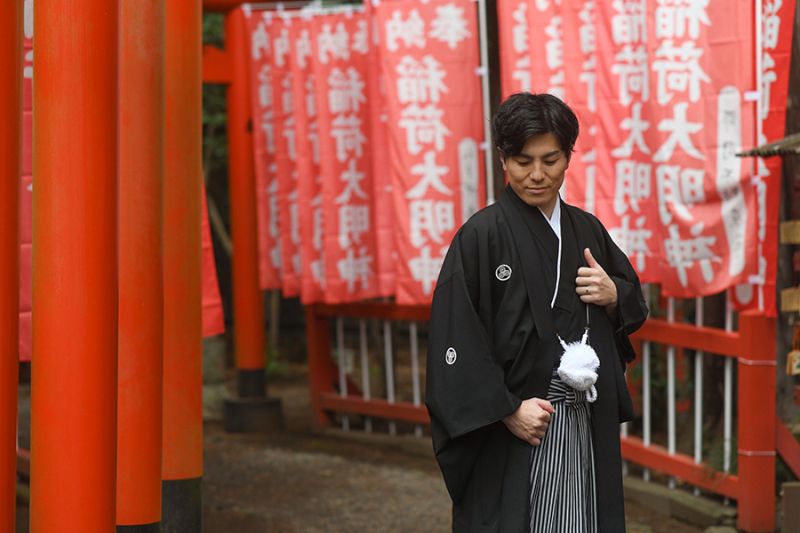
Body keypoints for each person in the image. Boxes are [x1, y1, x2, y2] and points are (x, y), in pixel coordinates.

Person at [425, 92, 649, 533]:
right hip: (518, 422)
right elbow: (456, 339)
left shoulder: (586, 228)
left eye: (551, 160)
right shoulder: (481, 235)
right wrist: (507, 409)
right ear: (503, 159)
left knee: (584, 519)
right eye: (524, 161)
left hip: (582, 416)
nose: (537, 175)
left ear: (569, 157)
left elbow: (633, 299)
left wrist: (612, 295)